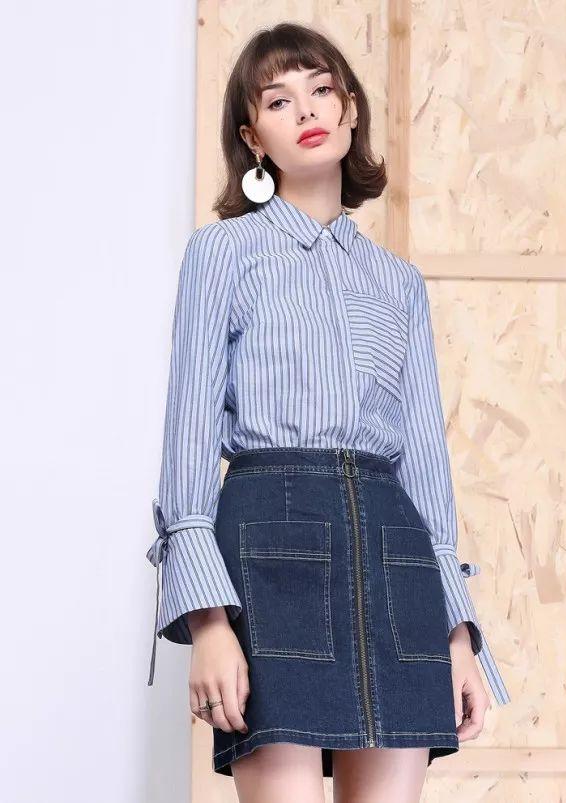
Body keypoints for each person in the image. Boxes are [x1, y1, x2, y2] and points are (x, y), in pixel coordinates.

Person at [145, 21, 510, 803]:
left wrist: (457, 632)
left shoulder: (398, 282)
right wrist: (209, 621)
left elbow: (425, 467)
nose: (306, 109)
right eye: (278, 100)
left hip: (395, 558)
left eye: (321, 89)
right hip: (269, 551)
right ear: (254, 139)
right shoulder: (222, 254)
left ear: (350, 109)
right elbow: (188, 443)